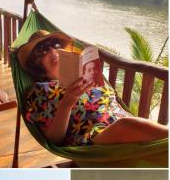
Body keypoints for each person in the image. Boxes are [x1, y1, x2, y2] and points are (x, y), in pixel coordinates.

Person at [18, 30, 168, 146]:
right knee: (128, 125)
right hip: (93, 137)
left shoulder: (87, 73)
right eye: (43, 50)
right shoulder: (40, 91)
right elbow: (53, 140)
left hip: (124, 124)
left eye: (56, 45)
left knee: (138, 127)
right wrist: (66, 104)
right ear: (37, 64)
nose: (52, 51)